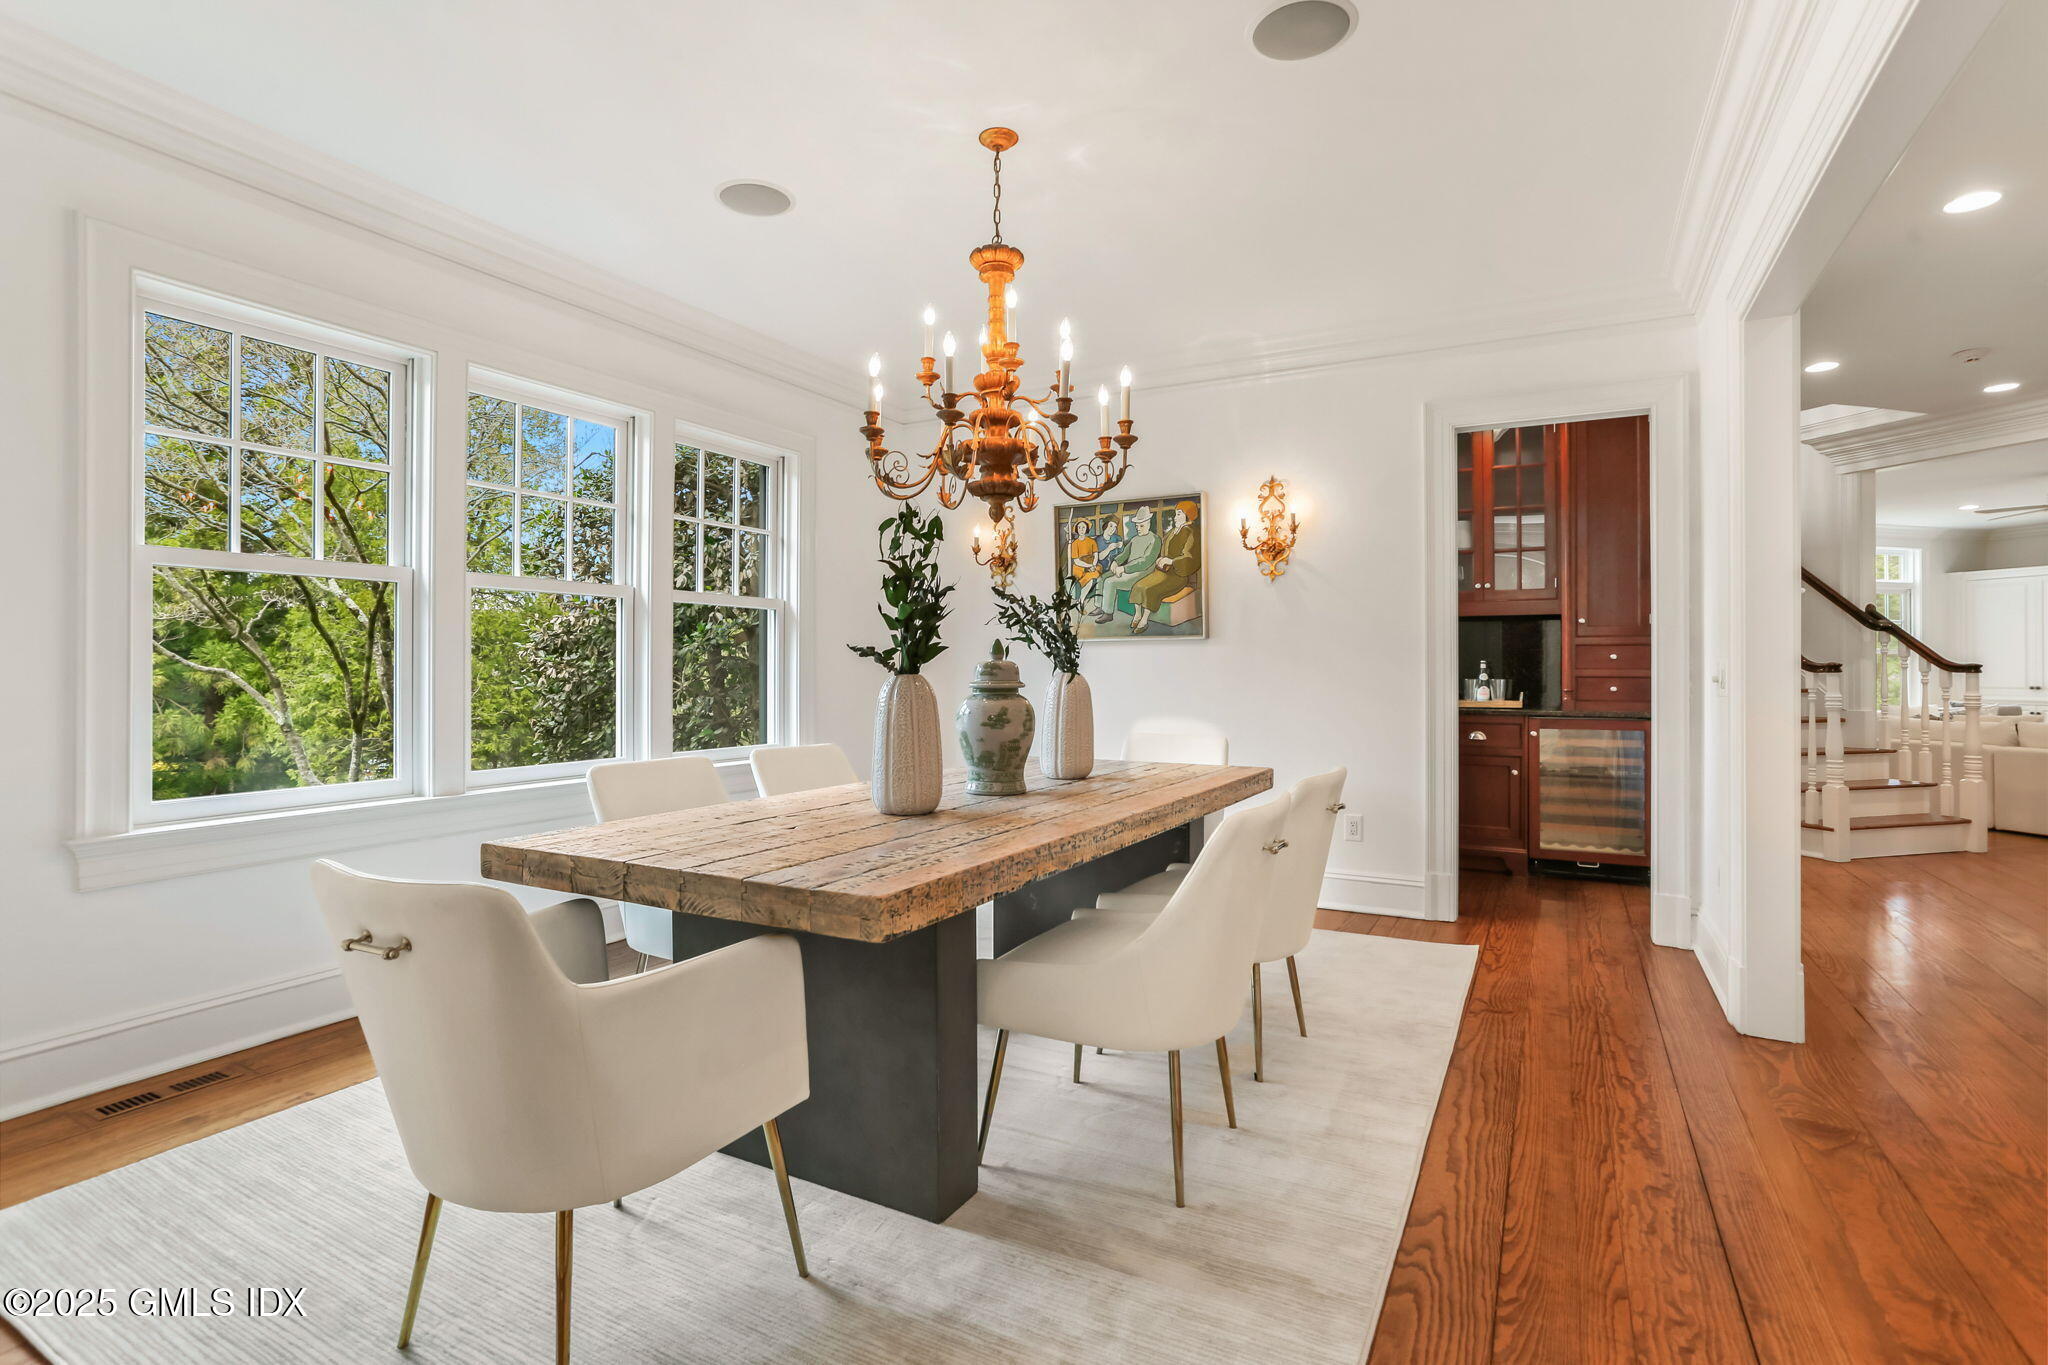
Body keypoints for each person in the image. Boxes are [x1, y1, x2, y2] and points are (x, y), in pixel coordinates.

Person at [1129, 503, 1201, 632]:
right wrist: (1161, 559)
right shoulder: (1173, 531)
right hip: (1162, 572)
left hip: (1178, 575)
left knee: (1150, 590)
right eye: (1175, 514)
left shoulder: (1193, 533)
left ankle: (1144, 620)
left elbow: (1191, 558)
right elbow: (1164, 551)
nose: (1175, 517)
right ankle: (1137, 614)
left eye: (1179, 514)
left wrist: (1172, 561)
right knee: (1138, 586)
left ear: (1188, 515)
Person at [1088, 506, 1160, 624]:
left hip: (1142, 572)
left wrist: (1124, 568)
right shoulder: (1135, 539)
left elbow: (1145, 561)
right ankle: (1099, 606)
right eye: (1137, 526)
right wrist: (1116, 561)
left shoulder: (1154, 539)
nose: (1138, 529)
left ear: (1148, 523)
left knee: (1110, 582)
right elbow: (1124, 554)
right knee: (1102, 578)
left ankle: (1108, 613)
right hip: (1129, 569)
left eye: (1141, 526)